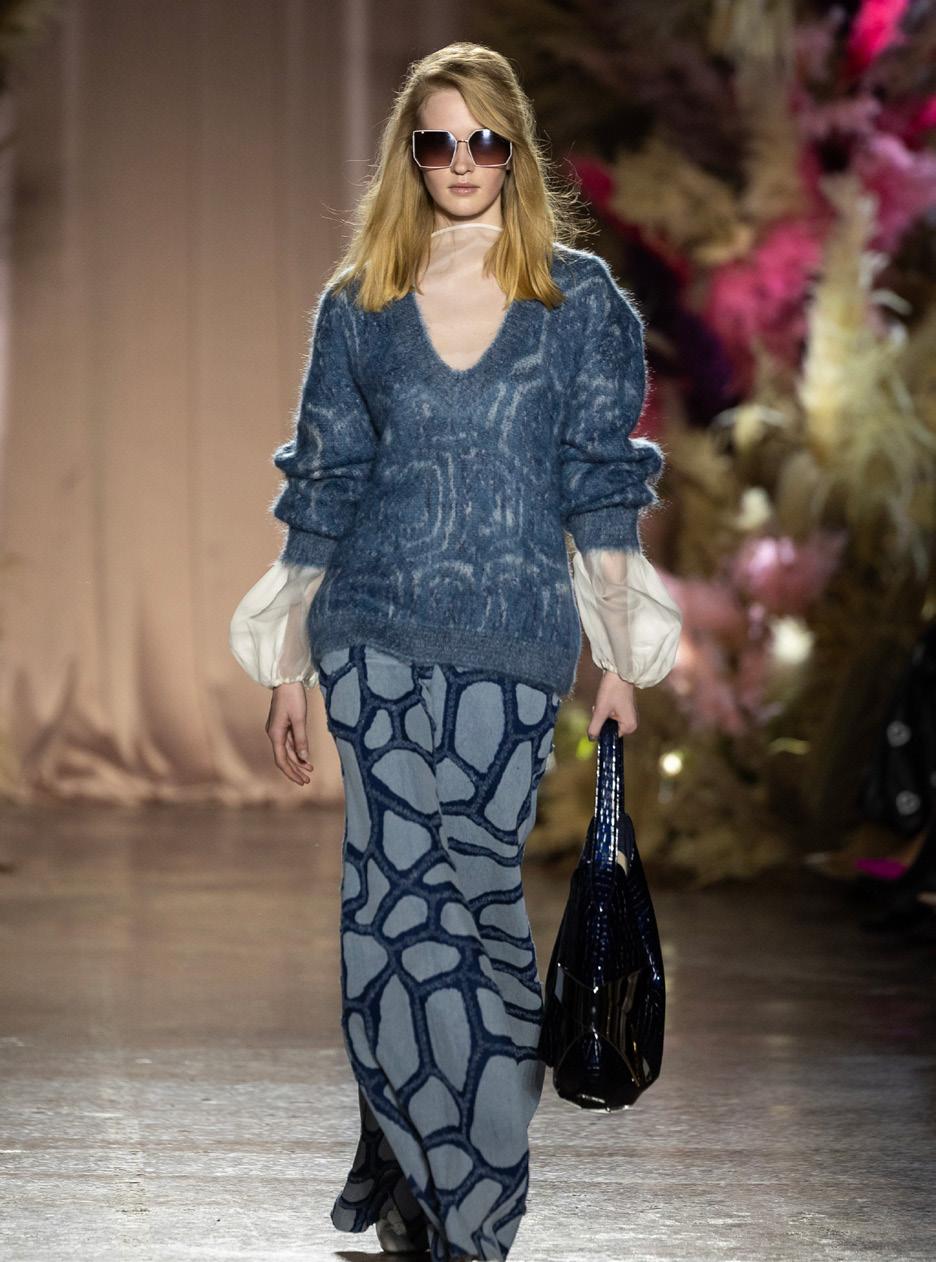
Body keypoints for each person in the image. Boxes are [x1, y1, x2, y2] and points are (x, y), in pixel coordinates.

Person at [229, 41, 682, 1262]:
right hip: (372, 638)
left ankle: (437, 1180)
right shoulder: (361, 304)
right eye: (439, 141)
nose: (464, 161)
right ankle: (461, 1210)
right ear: (411, 156)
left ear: (516, 151)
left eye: (486, 139)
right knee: (390, 916)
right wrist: (289, 663)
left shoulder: (581, 303)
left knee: (479, 917)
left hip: (515, 651)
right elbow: (325, 480)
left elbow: (600, 485)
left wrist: (620, 660)